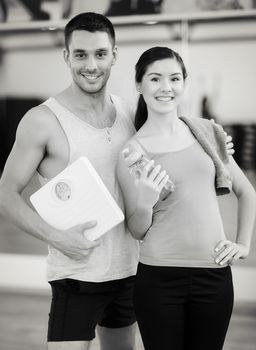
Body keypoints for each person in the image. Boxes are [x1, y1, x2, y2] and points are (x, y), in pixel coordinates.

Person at [0, 12, 234, 350]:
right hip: (76, 276)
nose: (91, 65)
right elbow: (5, 193)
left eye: (100, 54)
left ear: (114, 56)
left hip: (129, 273)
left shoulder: (128, 113)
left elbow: (174, 145)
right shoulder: (41, 121)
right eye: (80, 54)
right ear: (67, 56)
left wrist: (216, 145)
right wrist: (57, 237)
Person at [117, 46, 256, 350]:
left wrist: (243, 244)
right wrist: (145, 200)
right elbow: (136, 229)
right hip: (159, 279)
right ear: (139, 85)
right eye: (155, 79)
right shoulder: (132, 151)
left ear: (183, 83)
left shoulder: (207, 132)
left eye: (174, 78)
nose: (166, 87)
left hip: (214, 275)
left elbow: (247, 192)